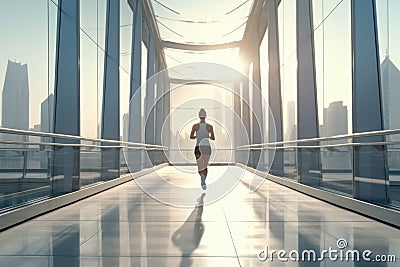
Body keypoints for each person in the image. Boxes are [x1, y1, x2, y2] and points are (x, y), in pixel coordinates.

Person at [190, 108, 215, 190]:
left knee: (200, 166)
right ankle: (204, 179)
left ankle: (202, 177)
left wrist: (197, 136)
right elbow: (213, 138)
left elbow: (191, 136)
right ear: (206, 116)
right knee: (205, 166)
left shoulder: (195, 126)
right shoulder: (210, 127)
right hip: (207, 147)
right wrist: (208, 136)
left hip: (198, 147)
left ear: (199, 116)